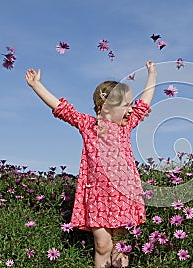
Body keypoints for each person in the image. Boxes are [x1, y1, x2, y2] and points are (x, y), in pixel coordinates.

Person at [25, 60, 157, 268]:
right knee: (102, 245)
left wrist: (152, 75)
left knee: (120, 247)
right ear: (105, 108)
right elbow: (62, 109)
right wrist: (37, 86)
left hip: (124, 195)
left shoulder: (126, 127)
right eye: (125, 106)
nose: (131, 110)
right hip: (97, 196)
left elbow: (145, 103)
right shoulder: (89, 126)